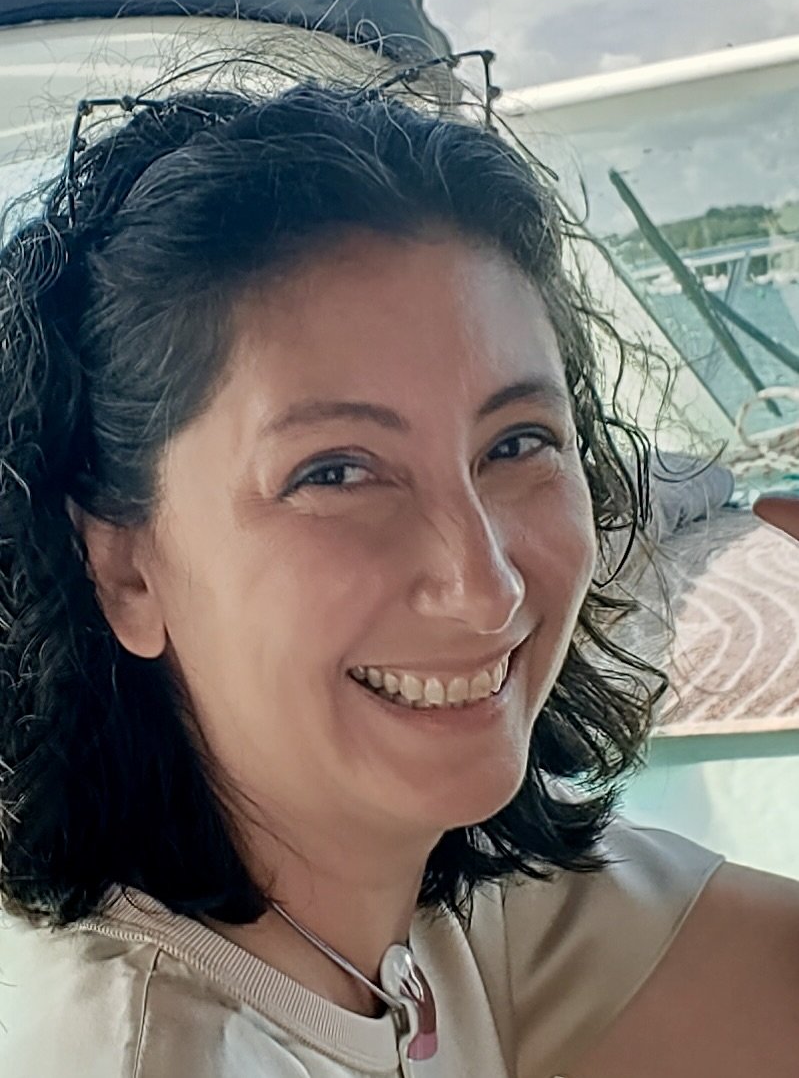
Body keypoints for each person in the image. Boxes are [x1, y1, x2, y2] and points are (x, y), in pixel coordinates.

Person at [0, 77, 797, 1078]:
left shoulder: (432, 900)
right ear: (121, 569)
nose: (487, 585)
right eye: (334, 472)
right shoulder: (142, 1045)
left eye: (515, 442)